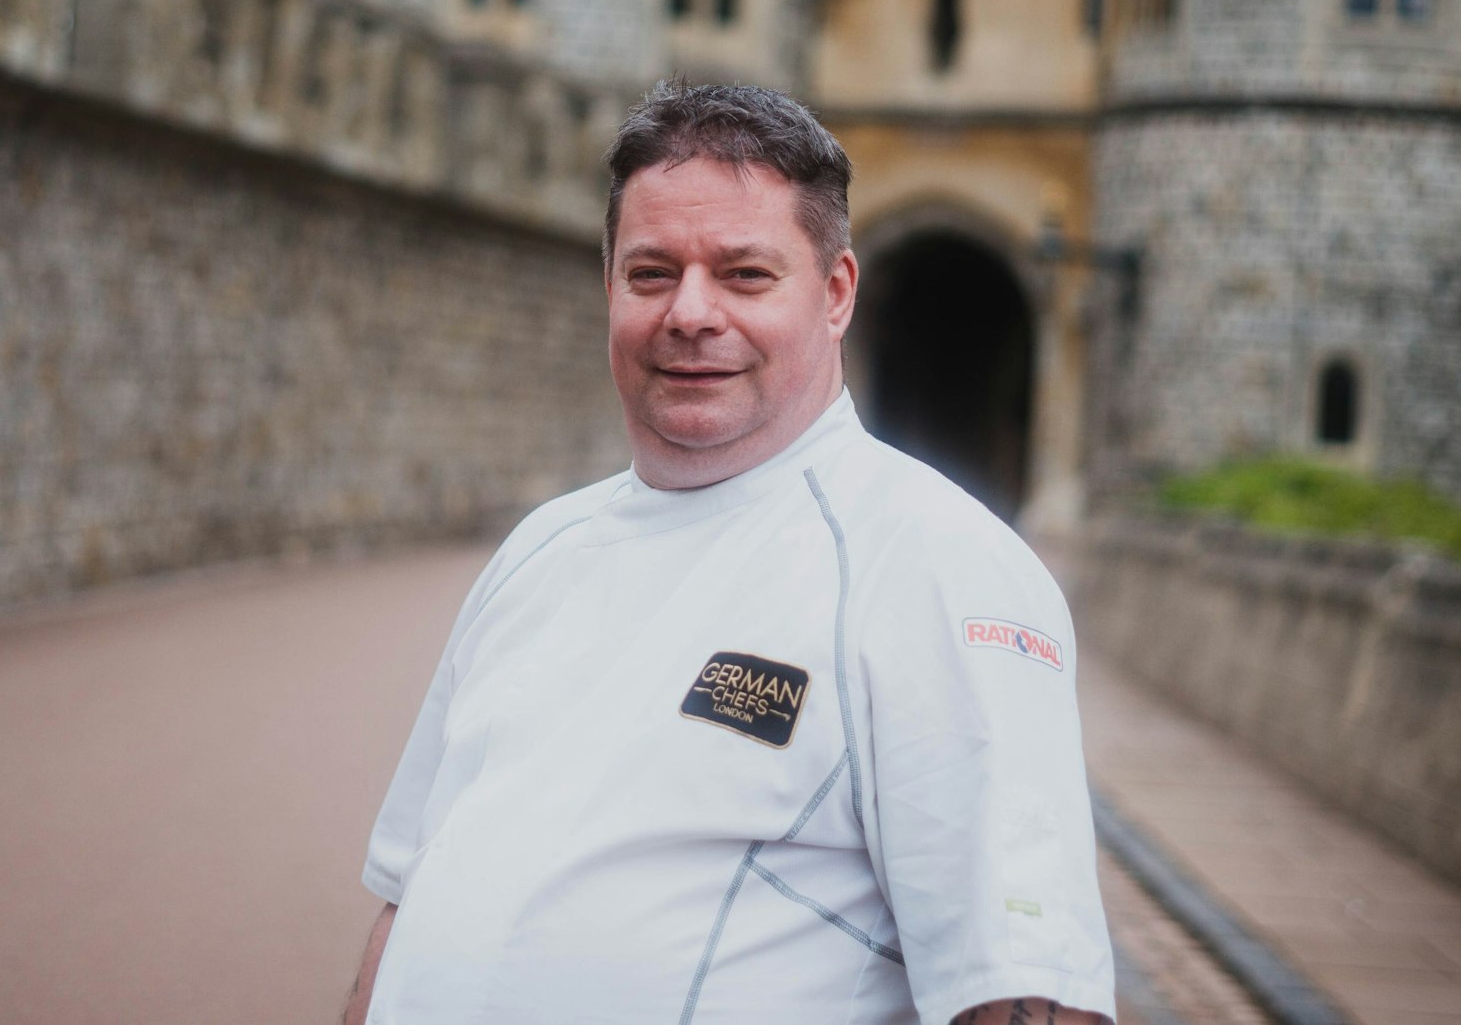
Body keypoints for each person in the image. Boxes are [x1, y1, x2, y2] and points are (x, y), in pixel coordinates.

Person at [342, 82, 1115, 1025]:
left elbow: (1022, 988)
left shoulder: (935, 566)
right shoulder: (539, 550)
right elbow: (408, 898)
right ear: (610, 288)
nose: (690, 313)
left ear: (835, 295)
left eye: (745, 275)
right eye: (652, 273)